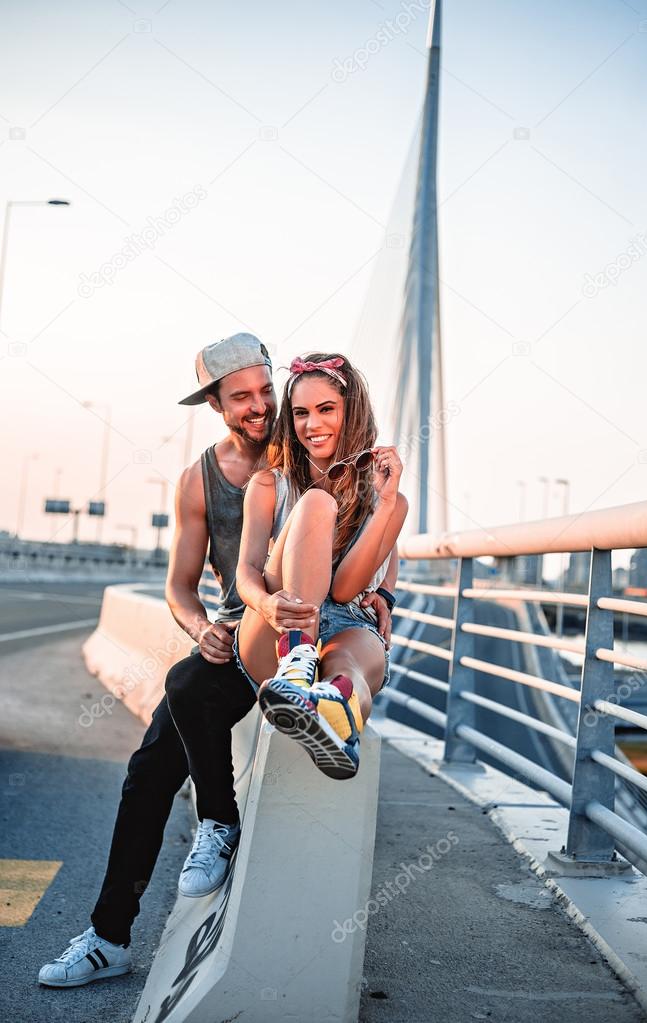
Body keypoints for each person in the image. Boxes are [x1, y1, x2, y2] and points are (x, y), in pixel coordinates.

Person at [38, 334, 397, 988]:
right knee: (154, 758)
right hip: (238, 635)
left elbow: (366, 525)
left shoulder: (310, 453)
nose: (261, 406)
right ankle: (114, 931)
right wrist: (202, 624)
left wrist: (384, 593)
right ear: (216, 403)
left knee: (208, 690)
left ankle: (235, 804)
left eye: (267, 390)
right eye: (244, 397)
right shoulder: (203, 480)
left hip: (305, 630)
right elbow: (180, 585)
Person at [233, 352, 407, 778]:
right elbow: (246, 572)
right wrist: (268, 605)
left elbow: (347, 590)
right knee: (316, 502)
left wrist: (383, 507)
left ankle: (336, 713)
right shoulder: (269, 484)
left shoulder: (389, 501)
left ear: (353, 413)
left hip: (348, 620)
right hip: (278, 620)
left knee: (353, 669)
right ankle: (297, 663)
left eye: (326, 410)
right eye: (300, 413)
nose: (312, 426)